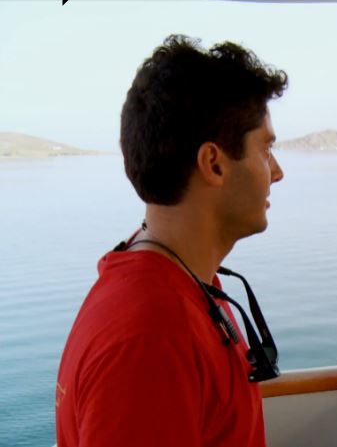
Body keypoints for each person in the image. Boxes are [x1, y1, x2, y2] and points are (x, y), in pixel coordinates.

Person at [56, 35, 287, 447]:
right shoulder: (150, 340)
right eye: (266, 150)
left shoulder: (180, 283)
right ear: (213, 164)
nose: (278, 172)